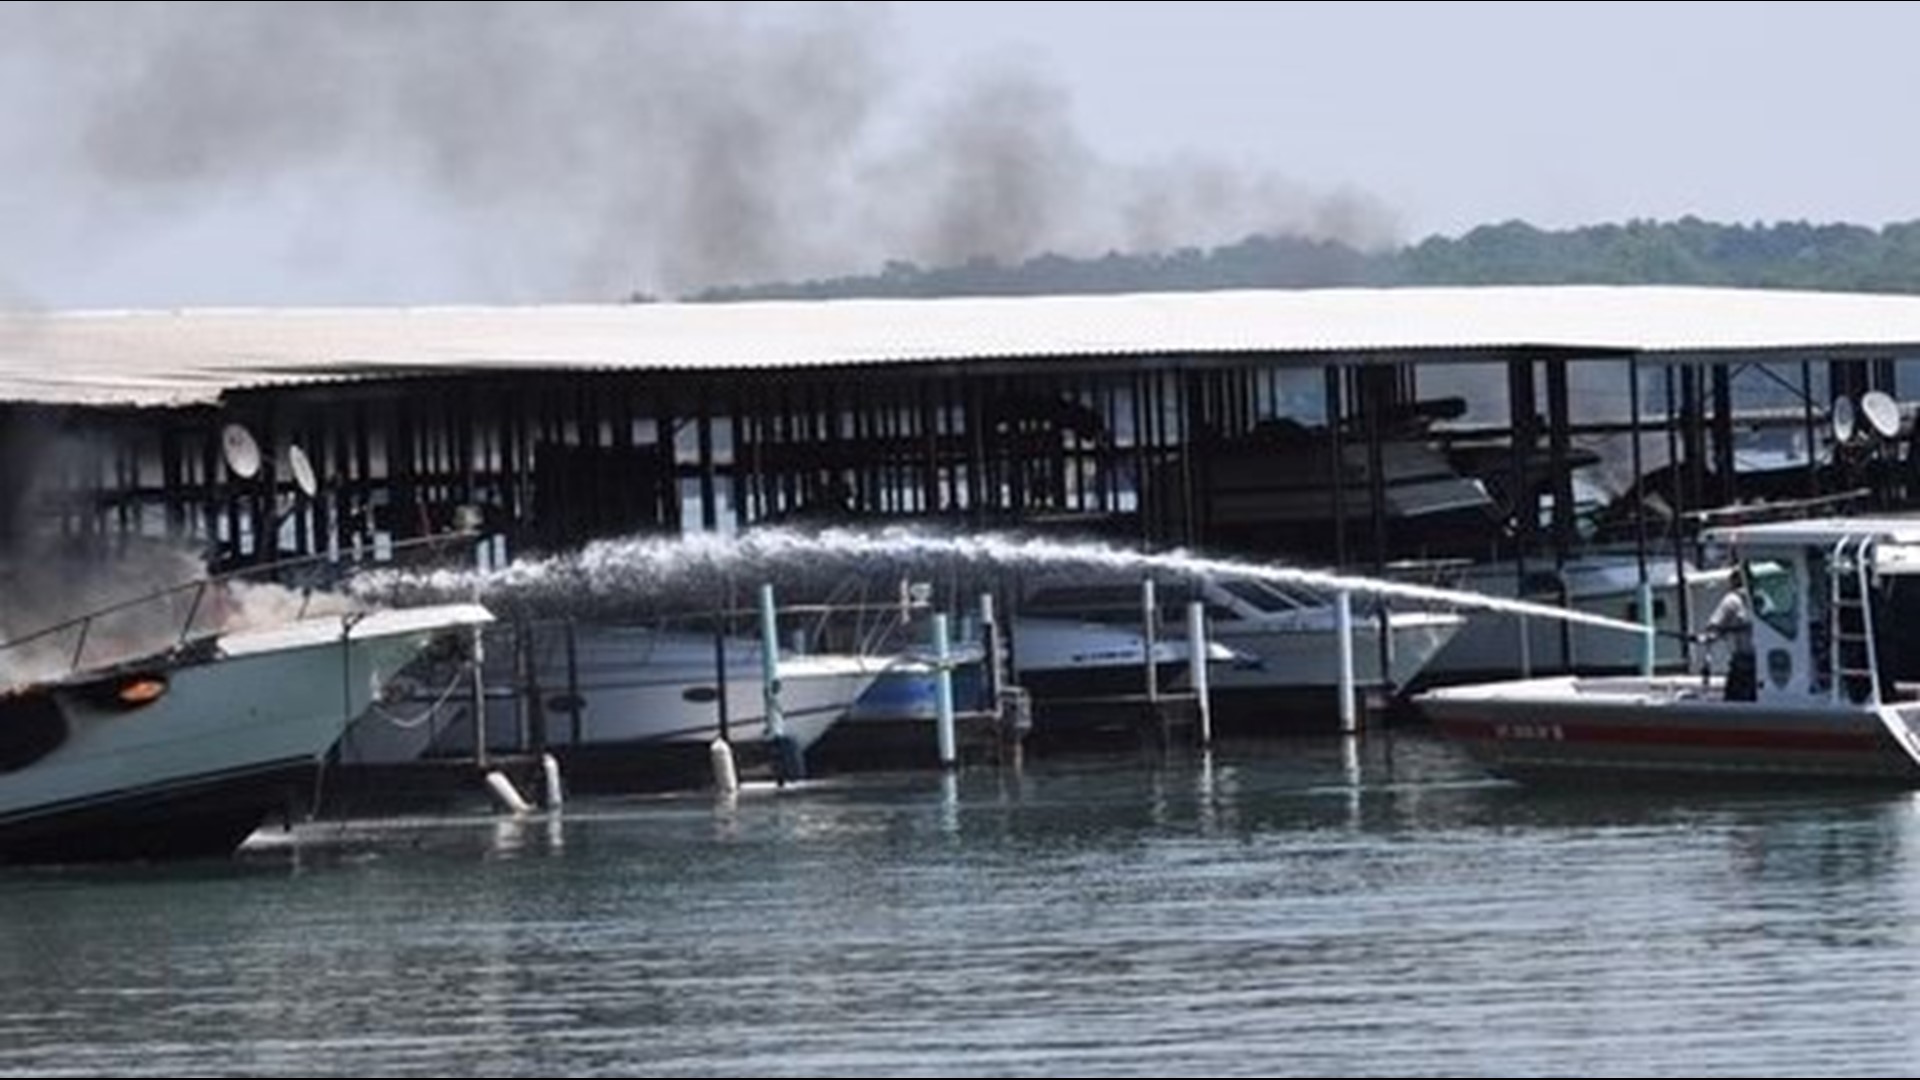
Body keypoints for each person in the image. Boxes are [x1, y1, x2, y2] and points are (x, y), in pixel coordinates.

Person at [1704, 566, 1756, 701]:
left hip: (1754, 665)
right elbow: (1714, 627)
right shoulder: (1733, 600)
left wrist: (1711, 635)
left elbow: (1712, 627)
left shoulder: (1734, 600)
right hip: (1745, 665)